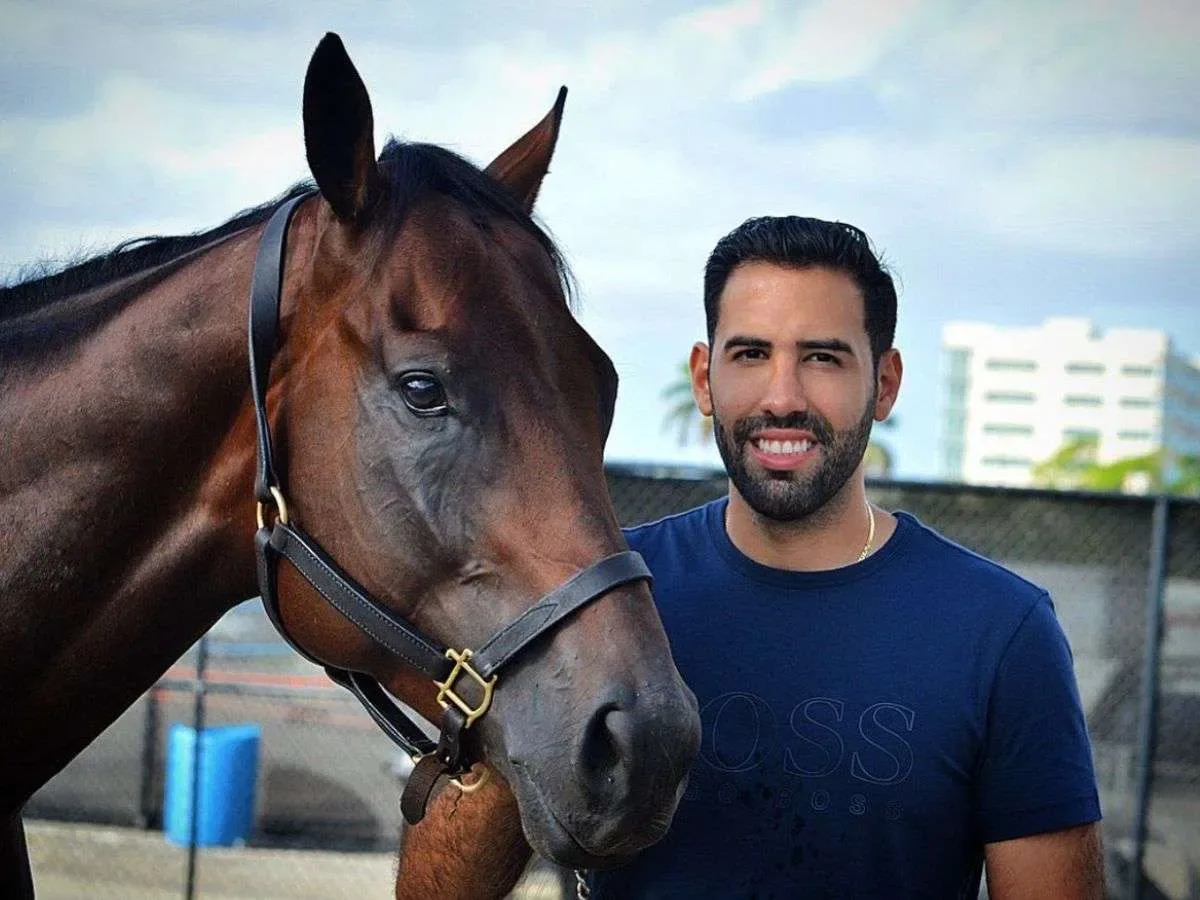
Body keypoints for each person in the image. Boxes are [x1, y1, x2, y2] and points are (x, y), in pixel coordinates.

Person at [588, 216, 1104, 898]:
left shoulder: (1001, 631)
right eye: (748, 354)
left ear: (885, 383)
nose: (782, 397)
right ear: (703, 378)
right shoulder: (609, 596)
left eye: (823, 357)